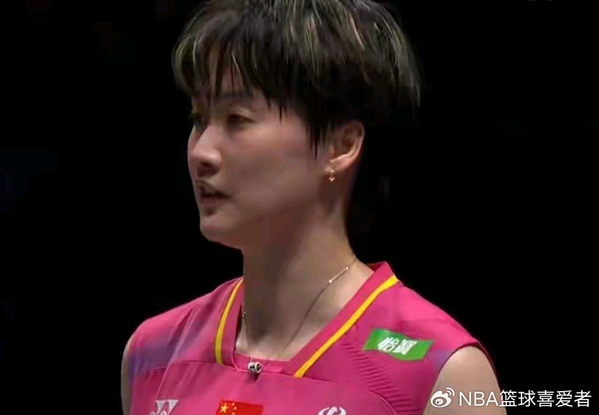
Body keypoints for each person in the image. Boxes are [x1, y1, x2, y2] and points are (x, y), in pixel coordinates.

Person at [122, 1, 504, 414]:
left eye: (237, 119)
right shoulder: (151, 354)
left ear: (341, 146)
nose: (202, 152)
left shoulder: (442, 373)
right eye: (199, 119)